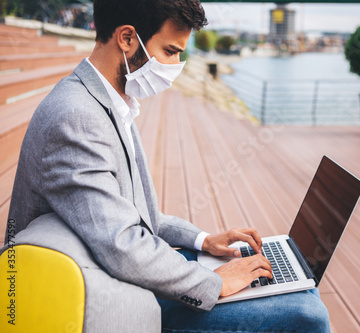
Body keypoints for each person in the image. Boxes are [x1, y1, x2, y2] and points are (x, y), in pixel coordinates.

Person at [5, 0, 330, 331]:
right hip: (114, 295)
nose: (177, 65)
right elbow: (121, 244)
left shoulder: (109, 103)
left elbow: (133, 216)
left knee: (296, 289)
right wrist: (215, 284)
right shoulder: (76, 118)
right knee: (307, 314)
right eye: (171, 51)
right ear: (128, 39)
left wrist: (204, 241)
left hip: (122, 269)